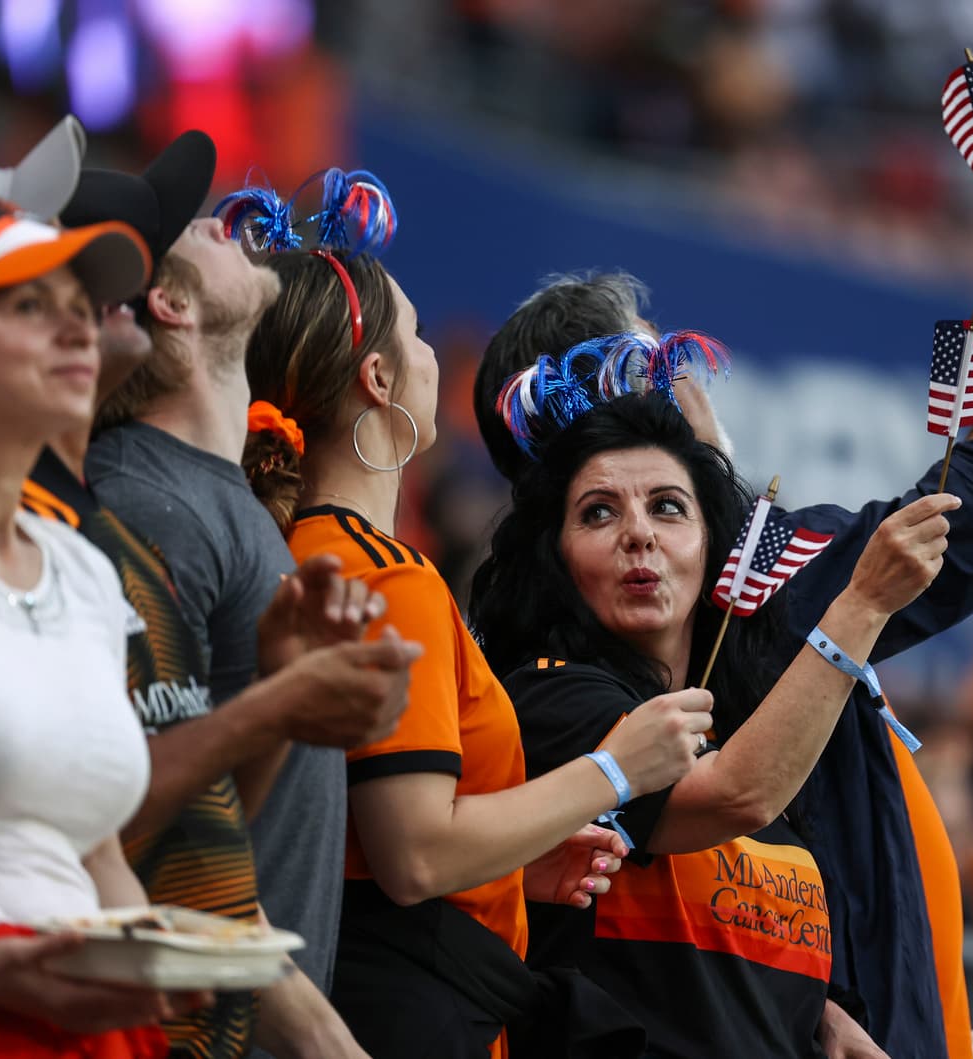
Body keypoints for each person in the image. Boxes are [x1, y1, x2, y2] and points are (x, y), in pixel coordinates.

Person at [472, 225, 973, 1058]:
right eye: (666, 369)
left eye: (666, 508)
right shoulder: (746, 593)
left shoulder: (701, 606)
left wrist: (815, 1004)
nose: (697, 396)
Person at [231, 168, 714, 1058]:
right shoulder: (385, 576)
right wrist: (616, 770)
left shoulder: (307, 553)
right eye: (415, 335)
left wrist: (517, 866)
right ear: (378, 379)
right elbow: (413, 855)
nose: (430, 355)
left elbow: (363, 846)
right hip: (414, 1016)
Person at [6, 127, 416, 1059]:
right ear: (168, 303)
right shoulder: (148, 501)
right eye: (186, 228)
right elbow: (121, 831)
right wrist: (315, 1032)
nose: (217, 219)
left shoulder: (204, 499)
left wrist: (277, 698)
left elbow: (207, 809)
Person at [468, 347, 957, 1055]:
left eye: (668, 507)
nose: (639, 532)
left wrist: (824, 1017)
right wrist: (862, 604)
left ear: (711, 547)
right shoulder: (551, 696)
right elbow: (734, 796)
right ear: (559, 559)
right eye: (599, 512)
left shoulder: (746, 728)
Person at [0, 183, 194, 1054]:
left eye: (81, 305)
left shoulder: (81, 566)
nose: (77, 327)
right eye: (30, 305)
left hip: (79, 1024)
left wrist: (155, 964)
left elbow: (98, 851)